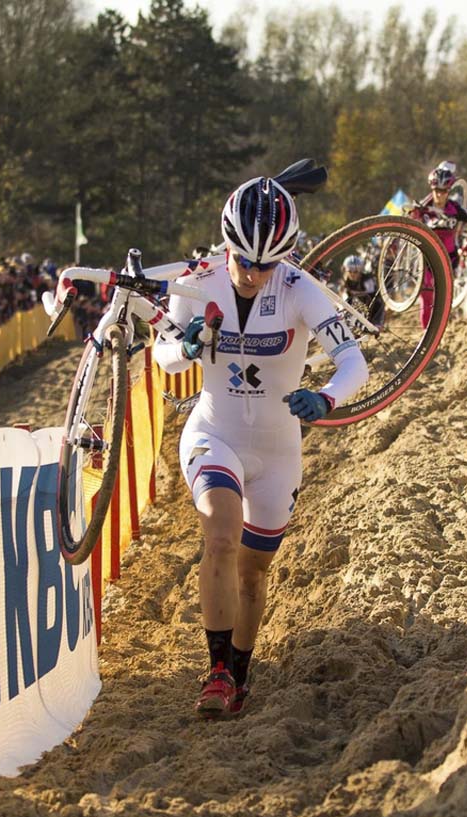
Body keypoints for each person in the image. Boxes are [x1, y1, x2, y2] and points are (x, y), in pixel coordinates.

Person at [152, 176, 369, 718]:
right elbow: (163, 359)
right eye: (243, 260)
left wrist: (327, 397)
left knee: (254, 572)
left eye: (266, 265)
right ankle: (217, 671)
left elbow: (354, 362)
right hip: (213, 433)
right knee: (221, 539)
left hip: (278, 450)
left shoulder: (299, 289)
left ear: (286, 256)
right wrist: (184, 344)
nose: (251, 274)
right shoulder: (199, 281)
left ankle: (241, 674)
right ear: (227, 247)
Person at [408, 162, 467, 328]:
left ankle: (440, 330)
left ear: (449, 191)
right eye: (436, 191)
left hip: (449, 258)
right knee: (426, 296)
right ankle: (426, 332)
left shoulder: (455, 208)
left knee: (442, 299)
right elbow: (409, 220)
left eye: (443, 191)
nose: (439, 194)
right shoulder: (425, 207)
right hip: (427, 258)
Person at [339, 255, 385, 328]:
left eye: (356, 271)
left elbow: (372, 293)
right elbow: (344, 296)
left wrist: (356, 293)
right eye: (350, 271)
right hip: (359, 304)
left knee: (377, 302)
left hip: (371, 302)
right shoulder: (345, 281)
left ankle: (377, 323)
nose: (353, 274)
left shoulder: (367, 279)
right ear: (346, 270)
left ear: (360, 270)